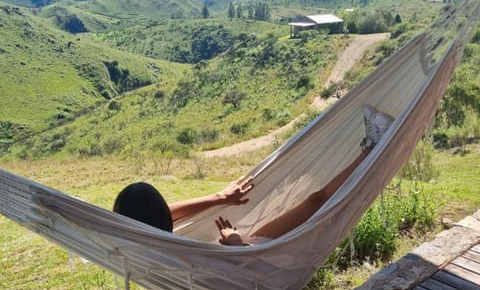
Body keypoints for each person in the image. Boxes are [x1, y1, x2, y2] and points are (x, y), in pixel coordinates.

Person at [216, 105, 394, 245]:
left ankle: (372, 150)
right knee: (320, 205)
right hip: (247, 258)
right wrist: (236, 243)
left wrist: (220, 198)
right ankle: (377, 150)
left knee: (316, 200)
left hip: (242, 251)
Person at [113, 177, 254, 232]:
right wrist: (236, 242)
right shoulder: (176, 251)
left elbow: (164, 213)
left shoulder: (123, 234)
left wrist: (220, 197)